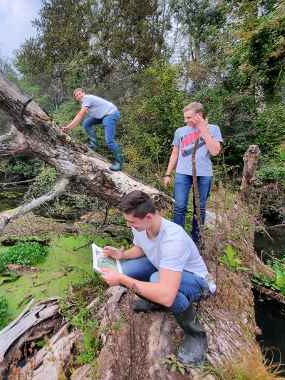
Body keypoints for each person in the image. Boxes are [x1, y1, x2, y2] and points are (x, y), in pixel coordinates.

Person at [100, 190, 215, 365]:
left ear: (148, 217)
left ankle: (196, 335)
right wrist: (121, 254)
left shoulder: (173, 239)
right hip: (164, 268)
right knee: (125, 269)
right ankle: (154, 301)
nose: (129, 225)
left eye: (132, 222)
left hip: (198, 282)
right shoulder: (141, 227)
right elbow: (141, 248)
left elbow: (167, 295)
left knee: (156, 282)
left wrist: (122, 281)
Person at [163, 102, 222, 245]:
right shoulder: (180, 131)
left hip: (204, 174)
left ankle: (197, 242)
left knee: (200, 208)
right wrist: (168, 174)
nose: (186, 121)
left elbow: (215, 151)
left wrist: (203, 129)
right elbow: (175, 154)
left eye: (189, 117)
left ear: (199, 115)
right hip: (183, 173)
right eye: (185, 118)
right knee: (179, 207)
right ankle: (177, 241)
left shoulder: (213, 129)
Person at [61, 88, 124, 171]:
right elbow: (82, 116)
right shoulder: (84, 103)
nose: (79, 96)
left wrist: (68, 127)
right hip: (103, 115)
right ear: (76, 98)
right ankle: (93, 144)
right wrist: (70, 127)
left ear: (84, 93)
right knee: (86, 123)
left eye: (80, 93)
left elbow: (80, 115)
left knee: (109, 141)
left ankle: (119, 163)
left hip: (111, 114)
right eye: (76, 95)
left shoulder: (87, 98)